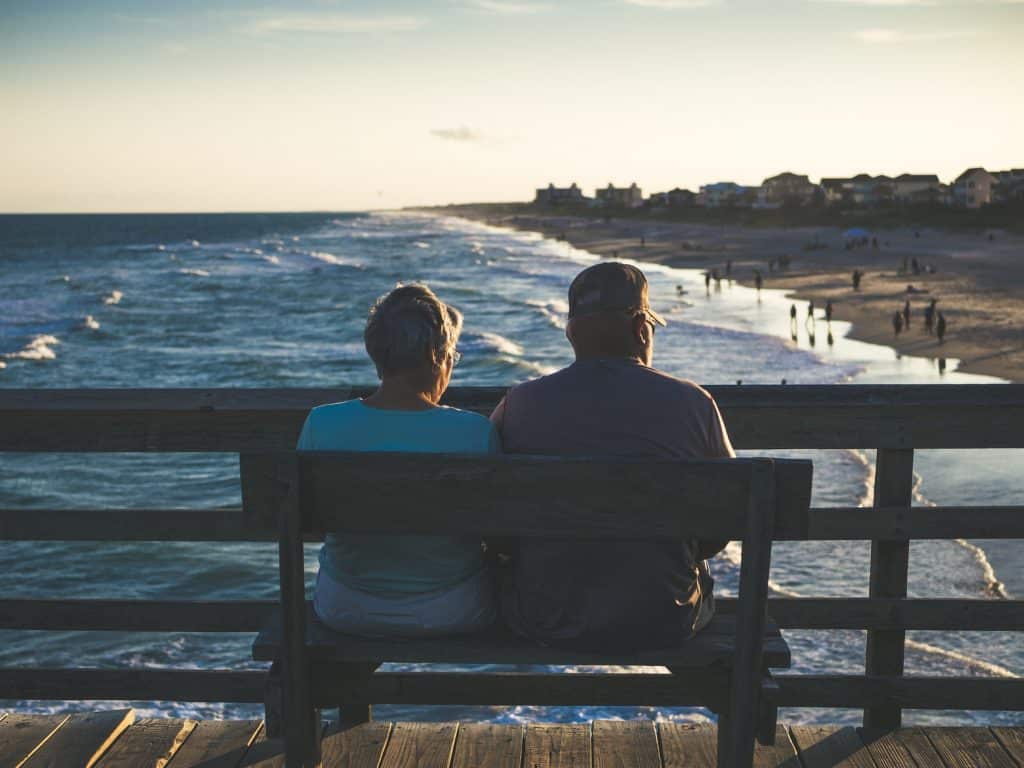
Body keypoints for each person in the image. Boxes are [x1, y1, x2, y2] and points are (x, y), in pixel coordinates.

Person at [490, 262, 733, 651]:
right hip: (664, 616)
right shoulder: (694, 403)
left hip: (545, 616)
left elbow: (489, 514)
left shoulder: (518, 404)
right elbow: (729, 513)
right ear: (641, 329)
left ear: (571, 334)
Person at [297, 284, 498, 637]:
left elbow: (307, 523)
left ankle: (345, 692)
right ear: (438, 356)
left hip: (344, 608)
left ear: (377, 355)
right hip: (452, 610)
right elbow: (498, 532)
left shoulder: (321, 423)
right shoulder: (475, 432)